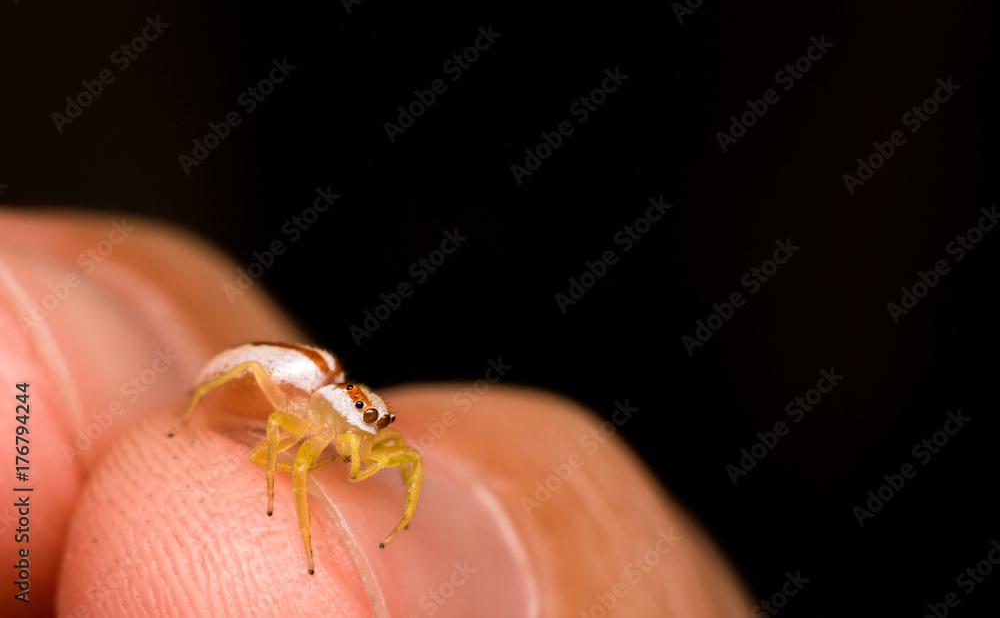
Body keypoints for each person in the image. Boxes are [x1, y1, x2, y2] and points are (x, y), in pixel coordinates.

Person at [0, 209, 750, 616]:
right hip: (261, 379)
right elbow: (258, 383)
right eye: (361, 419)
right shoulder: (308, 398)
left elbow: (406, 458)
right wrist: (266, 486)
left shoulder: (369, 430)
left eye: (371, 425)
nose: (367, 439)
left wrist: (398, 520)